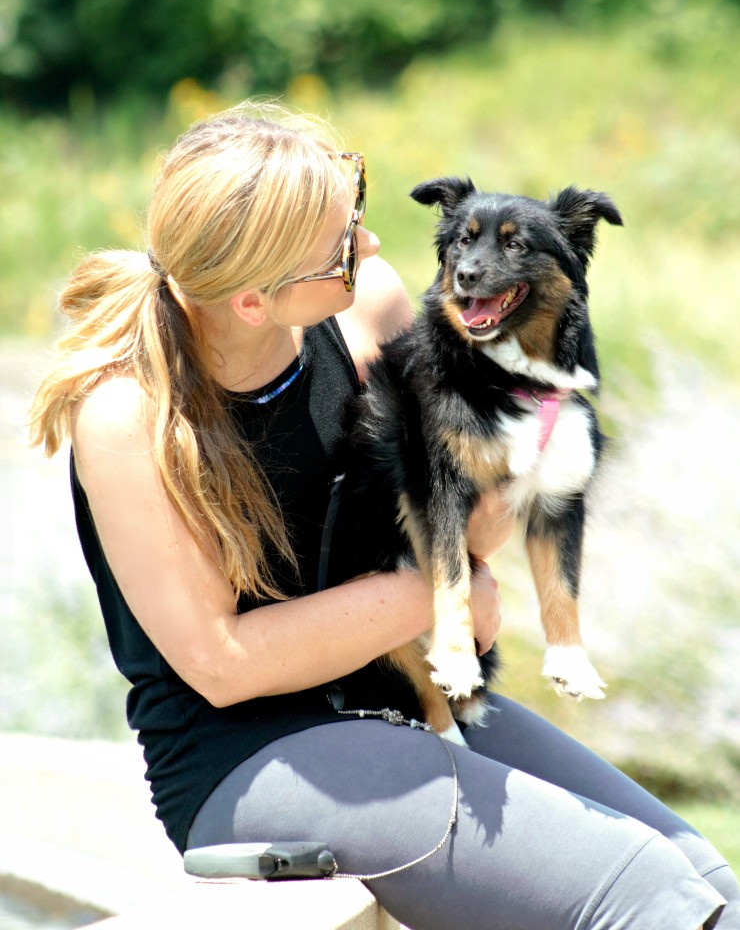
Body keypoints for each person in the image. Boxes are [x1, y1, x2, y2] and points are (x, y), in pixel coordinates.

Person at [31, 103, 737, 930]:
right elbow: (222, 664)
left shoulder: (365, 309)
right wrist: (430, 599)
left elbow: (475, 530)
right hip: (252, 755)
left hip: (408, 691)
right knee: (645, 897)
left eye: (355, 205)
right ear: (255, 301)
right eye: (339, 244)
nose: (367, 247)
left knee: (703, 876)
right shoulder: (128, 417)